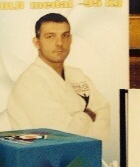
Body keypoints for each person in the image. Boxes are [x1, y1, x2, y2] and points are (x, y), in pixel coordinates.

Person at [7, 13, 110, 141]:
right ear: (37, 42)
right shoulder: (29, 82)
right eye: (50, 36)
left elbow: (103, 111)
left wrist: (77, 120)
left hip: (88, 150)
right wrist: (87, 116)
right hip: (42, 153)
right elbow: (59, 133)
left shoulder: (77, 75)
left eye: (65, 36)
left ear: (70, 40)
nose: (59, 43)